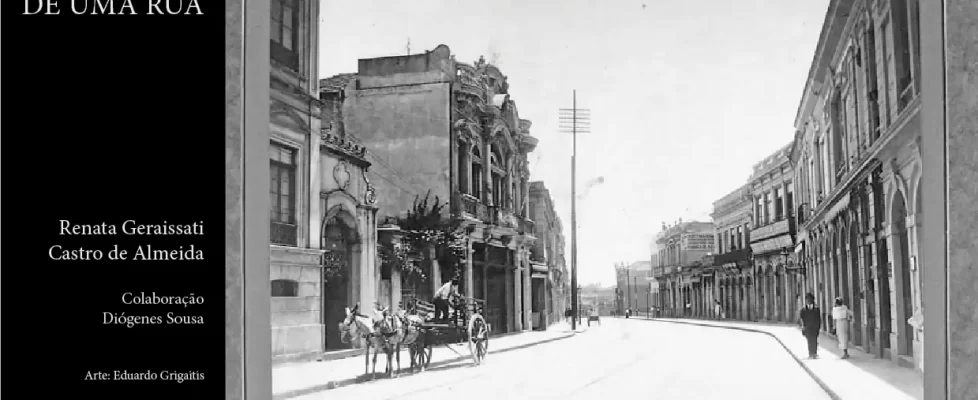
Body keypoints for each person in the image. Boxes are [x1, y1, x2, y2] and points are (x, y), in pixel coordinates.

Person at [799, 293, 822, 359]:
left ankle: (814, 353)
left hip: (815, 327)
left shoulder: (816, 309)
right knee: (809, 340)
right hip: (807, 327)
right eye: (807, 299)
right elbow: (801, 319)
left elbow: (818, 318)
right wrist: (803, 327)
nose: (808, 301)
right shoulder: (803, 310)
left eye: (810, 299)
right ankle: (810, 353)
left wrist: (818, 327)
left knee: (814, 340)